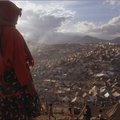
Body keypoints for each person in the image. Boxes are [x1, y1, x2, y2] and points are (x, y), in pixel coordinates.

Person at [0, 1, 40, 120]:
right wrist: (29, 86)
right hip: (14, 85)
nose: (17, 20)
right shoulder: (12, 33)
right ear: (8, 14)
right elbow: (19, 63)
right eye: (15, 15)